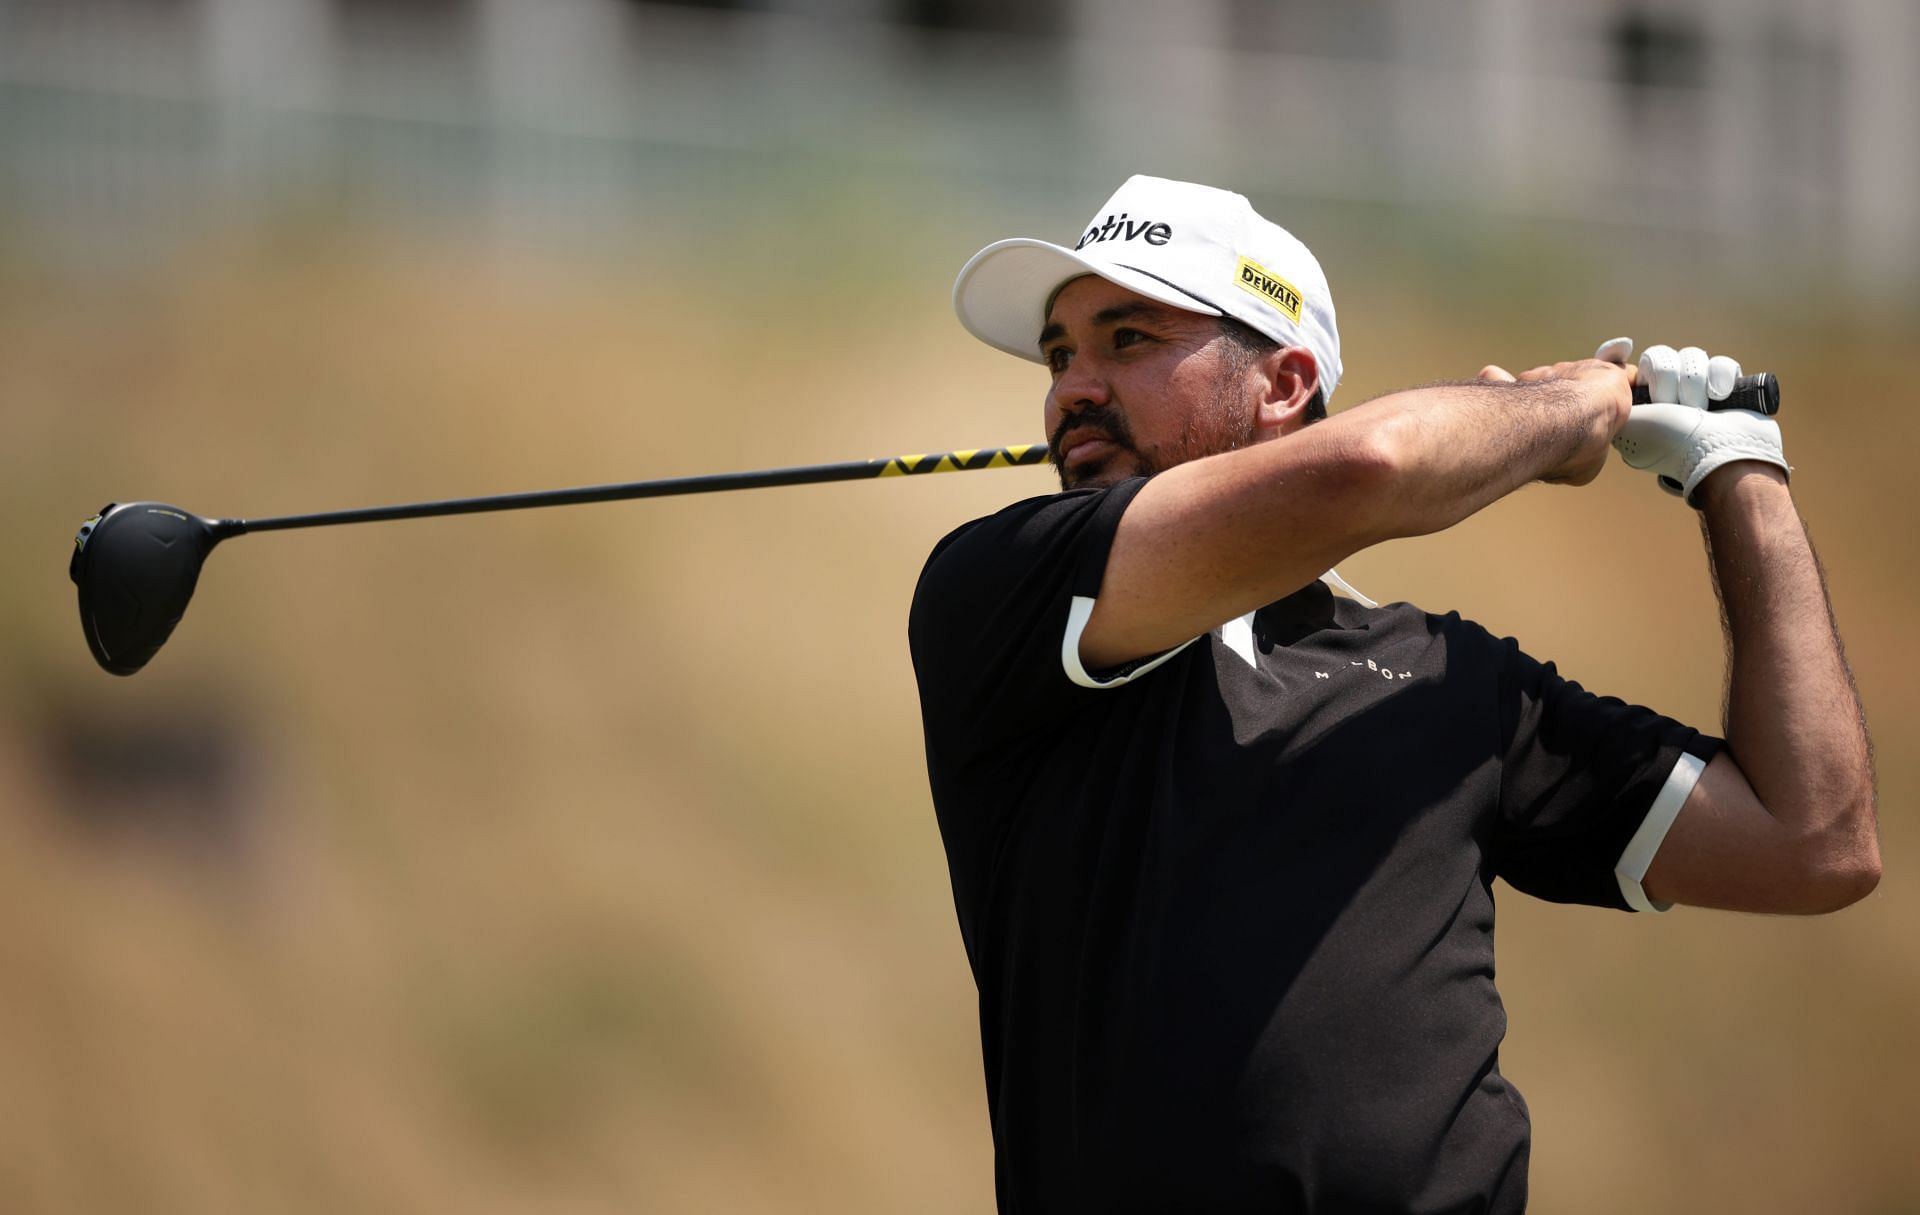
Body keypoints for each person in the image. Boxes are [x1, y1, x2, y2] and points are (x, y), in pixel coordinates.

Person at [907, 175, 1880, 1213]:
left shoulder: (1441, 673)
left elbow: (1813, 840)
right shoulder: (1006, 591)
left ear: (1281, 386)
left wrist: (1740, 472)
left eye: (1127, 340)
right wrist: (1565, 407)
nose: (1071, 390)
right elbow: (1374, 463)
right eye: (1061, 355)